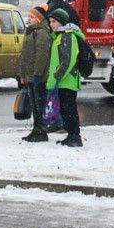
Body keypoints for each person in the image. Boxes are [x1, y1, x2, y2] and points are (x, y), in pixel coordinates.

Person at [45, 9, 85, 147]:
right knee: (64, 109)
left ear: (61, 22)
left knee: (69, 109)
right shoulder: (59, 36)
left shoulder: (68, 36)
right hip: (63, 81)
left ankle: (75, 136)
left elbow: (68, 60)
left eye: (54, 21)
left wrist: (57, 75)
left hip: (68, 80)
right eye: (50, 22)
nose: (51, 24)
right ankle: (71, 135)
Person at [18, 5, 52, 142]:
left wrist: (37, 74)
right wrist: (22, 74)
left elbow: (41, 55)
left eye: (32, 17)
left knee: (39, 105)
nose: (29, 19)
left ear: (39, 19)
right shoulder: (31, 32)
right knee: (34, 105)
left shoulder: (41, 33)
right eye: (29, 16)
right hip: (30, 75)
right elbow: (24, 55)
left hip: (38, 76)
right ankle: (36, 129)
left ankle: (41, 131)